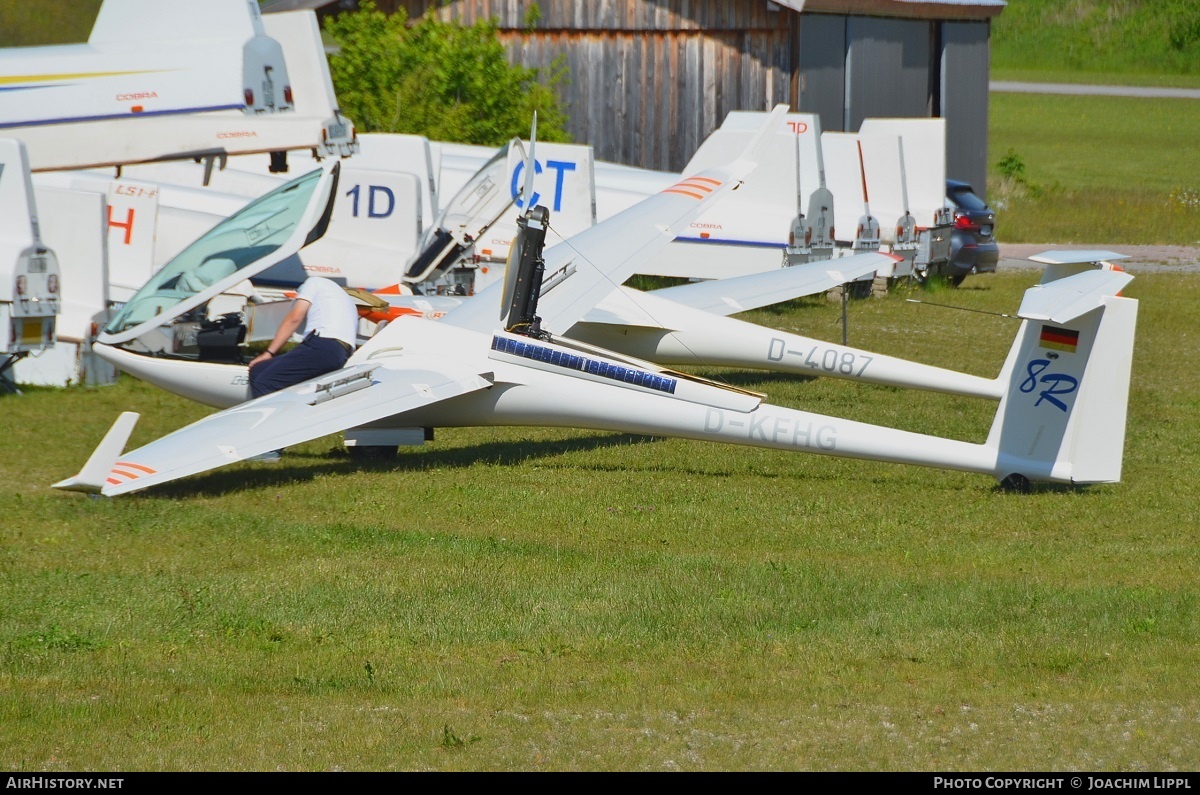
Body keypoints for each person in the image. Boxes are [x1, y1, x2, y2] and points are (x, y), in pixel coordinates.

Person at [248, 276, 358, 399]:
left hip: (322, 345)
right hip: (339, 352)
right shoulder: (337, 295)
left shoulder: (313, 282)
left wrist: (269, 352)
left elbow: (295, 318)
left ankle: (272, 416)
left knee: (266, 381)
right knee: (258, 370)